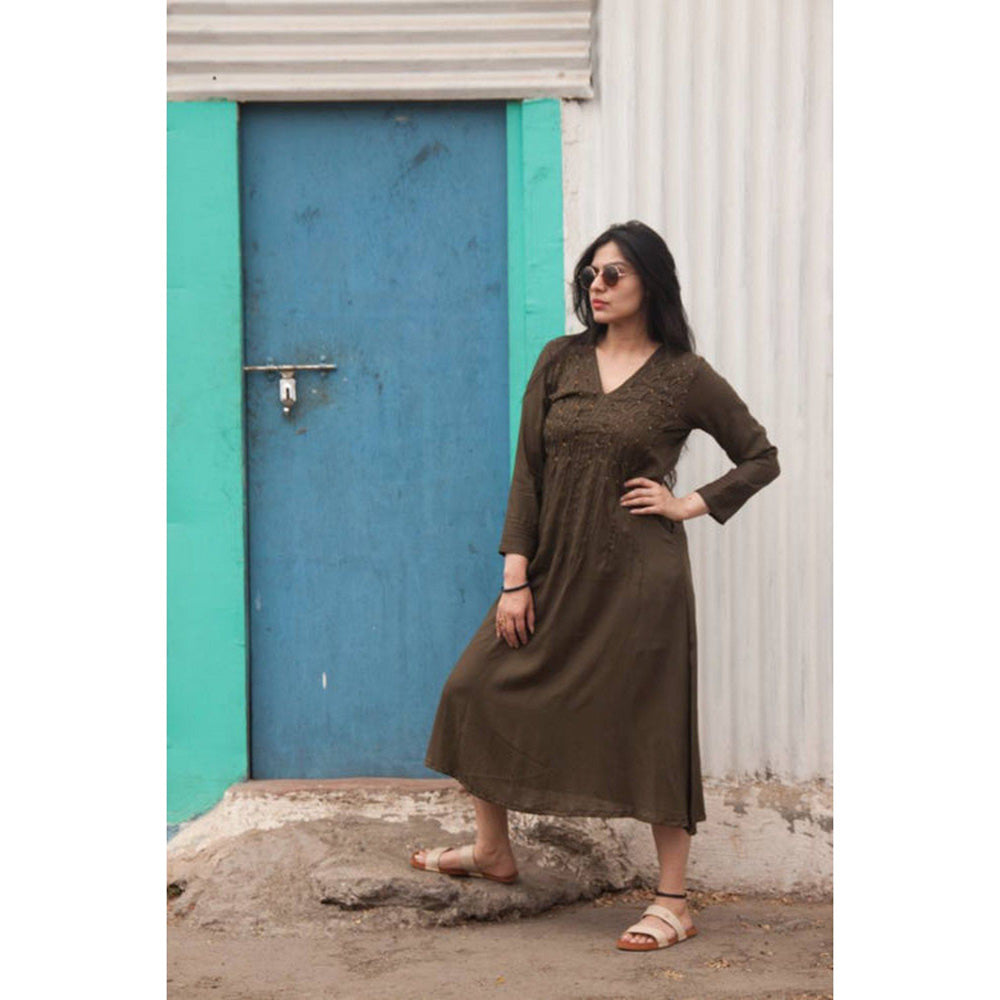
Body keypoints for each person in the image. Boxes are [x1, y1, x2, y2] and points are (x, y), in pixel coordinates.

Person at [411, 220, 781, 951]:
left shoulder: (684, 375)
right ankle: (492, 850)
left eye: (614, 273)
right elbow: (529, 472)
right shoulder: (561, 360)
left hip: (642, 579)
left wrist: (687, 502)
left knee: (654, 723)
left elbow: (759, 456)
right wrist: (515, 576)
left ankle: (672, 901)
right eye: (590, 274)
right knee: (472, 687)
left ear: (650, 281)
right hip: (555, 569)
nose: (597, 285)